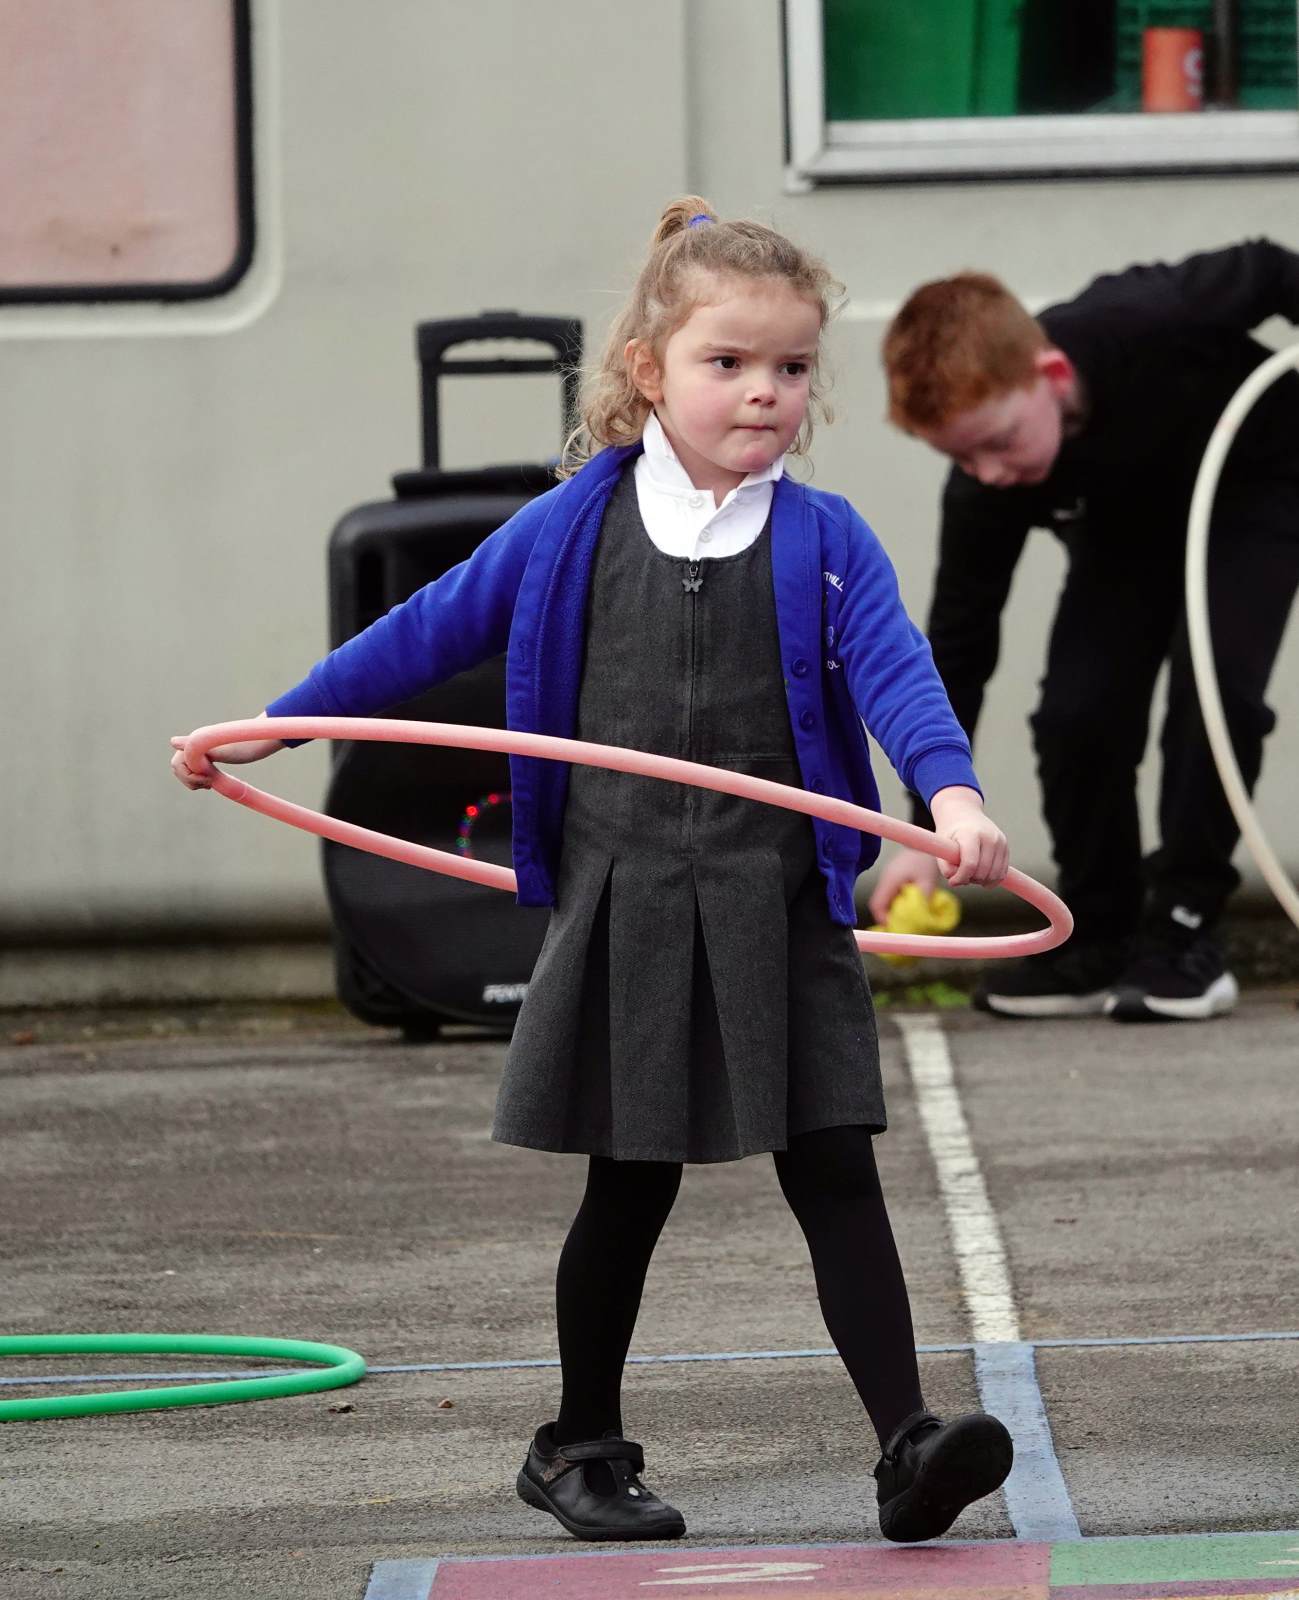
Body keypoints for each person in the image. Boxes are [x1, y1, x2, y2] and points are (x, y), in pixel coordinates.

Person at [172, 198, 1014, 1544]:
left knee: (833, 1165)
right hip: (629, 900)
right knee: (629, 1182)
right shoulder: (572, 524)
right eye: (727, 362)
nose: (763, 391)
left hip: (776, 902)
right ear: (648, 371)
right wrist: (284, 720)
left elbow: (898, 678)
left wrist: (952, 797)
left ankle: (907, 1443)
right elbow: (429, 626)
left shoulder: (826, 539)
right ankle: (577, 1445)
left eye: (791, 367)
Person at [875, 240, 1299, 1023]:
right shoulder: (986, 485)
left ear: (1051, 374)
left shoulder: (1147, 317)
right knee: (1076, 715)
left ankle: (1183, 930)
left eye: (998, 442)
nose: (988, 472)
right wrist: (923, 832)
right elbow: (958, 645)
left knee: (1213, 697)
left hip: (1254, 482)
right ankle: (1097, 934)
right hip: (1122, 529)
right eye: (961, 457)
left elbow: (1270, 268)